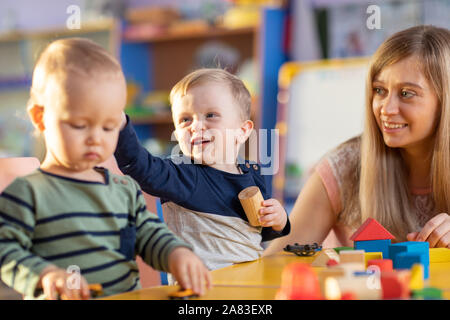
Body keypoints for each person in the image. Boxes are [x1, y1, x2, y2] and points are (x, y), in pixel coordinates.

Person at [0, 38, 210, 300]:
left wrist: (176, 254)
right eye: (80, 125)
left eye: (109, 127)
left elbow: (148, 235)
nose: (96, 138)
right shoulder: (27, 192)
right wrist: (45, 275)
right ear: (41, 118)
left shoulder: (124, 188)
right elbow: (6, 250)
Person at [264, 25, 450, 256]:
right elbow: (275, 264)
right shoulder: (343, 167)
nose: (386, 108)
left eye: (406, 93)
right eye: (379, 90)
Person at [115, 68, 290, 271]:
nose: (196, 126)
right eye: (185, 119)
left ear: (242, 132)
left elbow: (260, 231)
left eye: (211, 115)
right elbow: (140, 165)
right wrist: (118, 123)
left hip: (250, 280)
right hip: (204, 289)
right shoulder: (182, 173)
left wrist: (279, 220)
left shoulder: (252, 172)